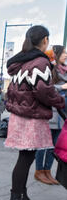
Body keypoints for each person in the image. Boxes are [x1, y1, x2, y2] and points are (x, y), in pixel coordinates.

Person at [5, 26, 65, 200]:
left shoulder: (22, 61)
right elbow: (43, 91)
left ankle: (21, 196)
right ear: (45, 40)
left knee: (27, 157)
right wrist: (60, 101)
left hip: (21, 114)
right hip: (31, 115)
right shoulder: (40, 62)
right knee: (26, 158)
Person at [34, 45, 67, 185]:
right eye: (64, 52)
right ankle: (39, 171)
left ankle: (48, 171)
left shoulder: (65, 71)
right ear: (58, 54)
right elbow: (43, 87)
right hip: (50, 112)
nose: (66, 55)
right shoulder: (50, 69)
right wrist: (61, 87)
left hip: (62, 112)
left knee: (54, 145)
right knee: (44, 144)